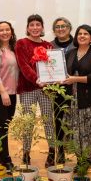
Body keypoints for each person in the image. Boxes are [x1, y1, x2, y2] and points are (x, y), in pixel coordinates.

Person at [15, 14, 55, 168]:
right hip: (28, 89)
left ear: (42, 28)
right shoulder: (21, 43)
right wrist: (37, 79)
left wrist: (51, 80)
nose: (35, 27)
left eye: (38, 24)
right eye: (32, 25)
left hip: (47, 90)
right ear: (27, 28)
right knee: (27, 122)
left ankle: (52, 152)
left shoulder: (49, 46)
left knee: (49, 121)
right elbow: (23, 66)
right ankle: (26, 154)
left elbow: (52, 66)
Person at [63, 24, 91, 167]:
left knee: (88, 130)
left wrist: (75, 79)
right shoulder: (69, 53)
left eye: (86, 34)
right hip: (71, 100)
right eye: (79, 33)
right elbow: (63, 73)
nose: (82, 36)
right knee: (75, 130)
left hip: (89, 100)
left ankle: (85, 158)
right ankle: (80, 157)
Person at [0, 21, 19, 172]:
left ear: (11, 32)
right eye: (1, 30)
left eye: (7, 29)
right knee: (2, 127)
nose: (5, 32)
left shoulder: (13, 49)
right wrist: (2, 91)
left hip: (11, 93)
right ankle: (6, 159)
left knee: (4, 127)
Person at [50, 17, 75, 163]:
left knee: (78, 121)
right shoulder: (49, 46)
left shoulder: (78, 44)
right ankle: (60, 152)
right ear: (54, 30)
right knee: (58, 121)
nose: (61, 29)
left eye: (63, 26)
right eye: (57, 27)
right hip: (57, 89)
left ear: (69, 28)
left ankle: (84, 153)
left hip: (75, 88)